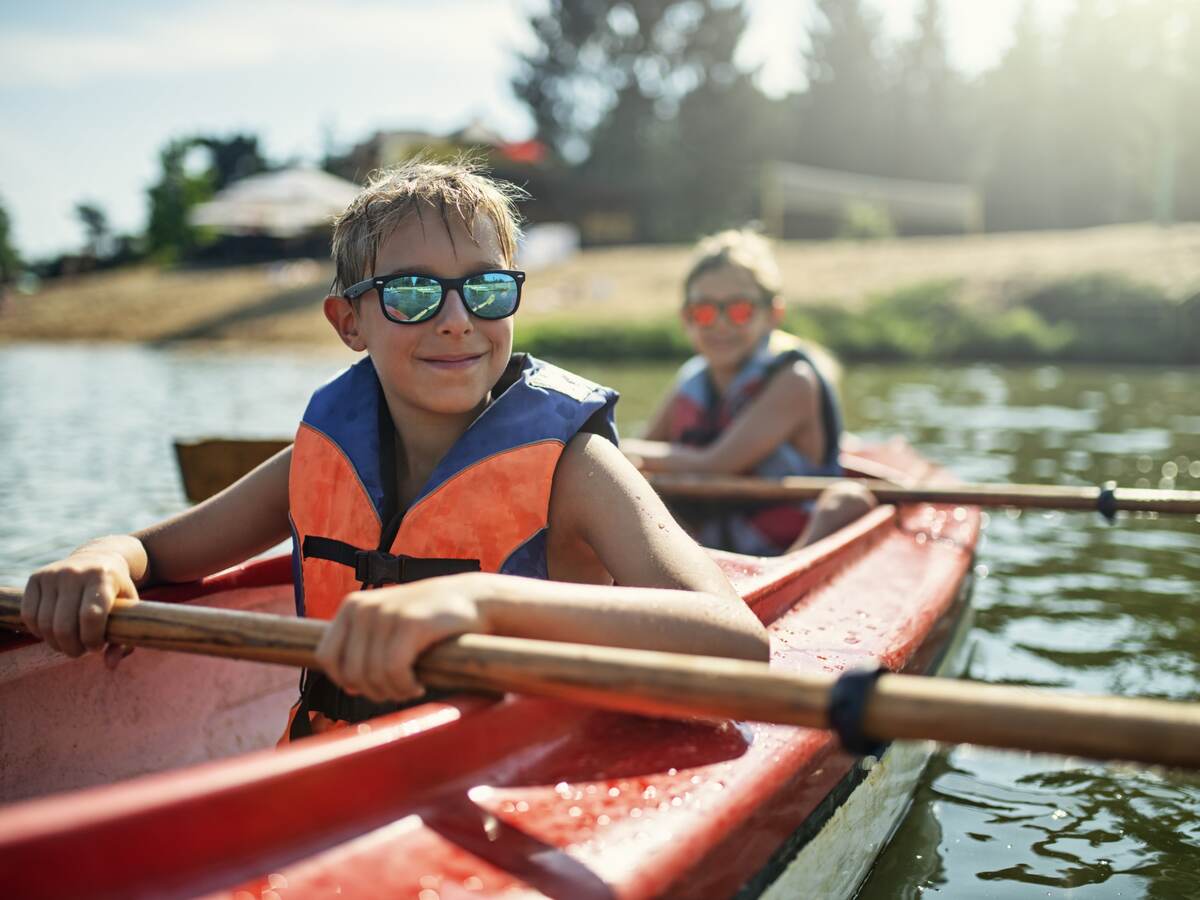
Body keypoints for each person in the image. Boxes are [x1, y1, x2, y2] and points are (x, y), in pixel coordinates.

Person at [20, 159, 769, 740]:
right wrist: (105, 556)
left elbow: (736, 644)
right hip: (338, 775)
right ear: (349, 322)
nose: (455, 321)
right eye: (413, 293)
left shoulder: (575, 469)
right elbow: (158, 552)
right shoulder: (319, 456)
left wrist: (477, 598)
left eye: (485, 290)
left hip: (518, 777)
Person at [625, 229, 875, 555]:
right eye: (704, 311)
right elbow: (648, 448)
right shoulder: (692, 378)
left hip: (788, 540)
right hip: (710, 537)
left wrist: (625, 451)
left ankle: (787, 576)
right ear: (686, 317)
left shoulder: (793, 380)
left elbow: (715, 463)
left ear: (773, 315)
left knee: (847, 501)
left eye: (739, 310)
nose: (720, 325)